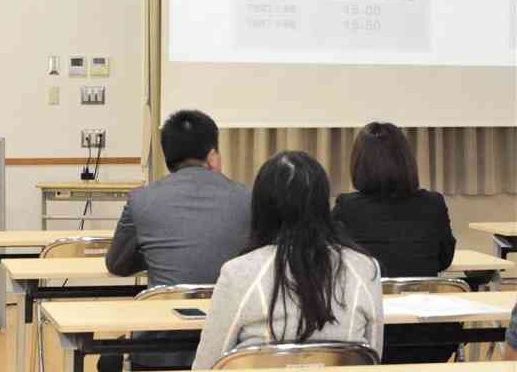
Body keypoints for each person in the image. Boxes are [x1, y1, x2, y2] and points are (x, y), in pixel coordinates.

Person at [193, 151, 383, 370]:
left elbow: (207, 366)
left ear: (261, 207)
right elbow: (373, 359)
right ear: (322, 204)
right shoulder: (365, 268)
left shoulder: (237, 273)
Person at [103, 109, 253, 371]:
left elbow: (116, 264)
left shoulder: (142, 199)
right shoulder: (246, 198)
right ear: (213, 156)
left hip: (158, 353)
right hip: (229, 353)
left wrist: (157, 254)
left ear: (167, 156)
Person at [332, 121, 457, 363]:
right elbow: (444, 259)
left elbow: (337, 266)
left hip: (366, 334)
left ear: (358, 164)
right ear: (407, 162)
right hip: (430, 336)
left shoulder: (346, 207)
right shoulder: (433, 203)